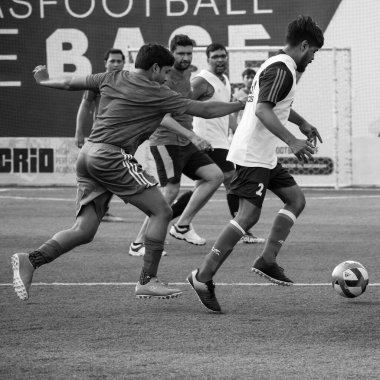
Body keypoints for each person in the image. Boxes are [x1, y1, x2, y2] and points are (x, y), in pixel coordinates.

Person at [11, 43, 246, 302]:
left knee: (84, 230)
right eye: (166, 71)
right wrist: (239, 105)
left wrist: (44, 80)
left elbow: (69, 83)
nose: (167, 77)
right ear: (155, 68)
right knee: (163, 210)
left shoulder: (112, 76)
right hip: (111, 156)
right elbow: (205, 109)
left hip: (87, 155)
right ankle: (148, 280)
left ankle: (31, 260)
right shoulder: (158, 92)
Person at [187, 15, 324, 312]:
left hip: (263, 154)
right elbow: (263, 110)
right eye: (313, 51)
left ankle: (268, 259)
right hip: (252, 155)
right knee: (248, 217)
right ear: (303, 45)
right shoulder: (283, 69)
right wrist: (292, 140)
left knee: (295, 200)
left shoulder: (277, 63)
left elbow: (277, 103)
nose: (313, 58)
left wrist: (302, 123)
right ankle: (202, 275)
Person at [129, 35, 224, 256]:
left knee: (215, 176)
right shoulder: (164, 76)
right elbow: (162, 116)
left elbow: (186, 103)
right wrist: (193, 136)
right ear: (172, 53)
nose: (186, 57)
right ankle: (138, 243)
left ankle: (182, 225)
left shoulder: (190, 73)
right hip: (165, 141)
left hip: (185, 142)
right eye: (181, 53)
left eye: (189, 53)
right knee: (170, 190)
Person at [179, 43, 264, 245]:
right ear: (207, 58)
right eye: (215, 56)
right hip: (207, 141)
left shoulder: (224, 80)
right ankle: (240, 229)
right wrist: (192, 135)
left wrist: (239, 130)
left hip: (221, 141)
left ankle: (170, 220)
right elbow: (182, 106)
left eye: (223, 56)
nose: (220, 59)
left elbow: (225, 115)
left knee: (201, 187)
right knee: (230, 177)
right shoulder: (201, 80)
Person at [75, 48, 126, 223]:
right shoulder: (97, 82)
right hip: (100, 137)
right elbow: (85, 105)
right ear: (105, 63)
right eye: (112, 61)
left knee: (110, 174)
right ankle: (88, 210)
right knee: (98, 174)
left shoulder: (127, 82)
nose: (116, 64)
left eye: (119, 61)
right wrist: (79, 132)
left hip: (119, 137)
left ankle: (101, 210)